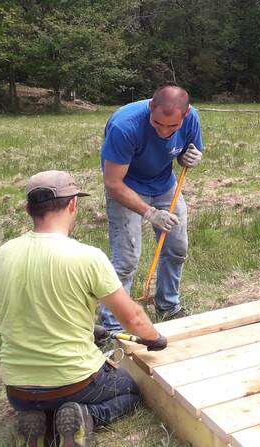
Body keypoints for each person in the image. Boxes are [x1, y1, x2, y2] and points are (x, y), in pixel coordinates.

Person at [0, 170, 167, 447]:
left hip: (18, 390)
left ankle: (41, 424)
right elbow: (133, 317)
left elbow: (33, 307)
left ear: (29, 209)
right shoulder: (87, 257)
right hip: (72, 382)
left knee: (44, 400)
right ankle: (88, 415)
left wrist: (89, 328)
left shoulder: (4, 252)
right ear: (74, 204)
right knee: (130, 392)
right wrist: (154, 338)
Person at [98, 84, 203, 331]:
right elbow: (112, 183)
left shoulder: (191, 118)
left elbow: (185, 152)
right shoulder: (125, 126)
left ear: (185, 116)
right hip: (126, 187)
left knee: (177, 248)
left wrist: (191, 158)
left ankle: (168, 305)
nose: (165, 132)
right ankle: (113, 325)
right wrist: (149, 212)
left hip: (164, 185)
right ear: (150, 109)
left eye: (172, 127)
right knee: (126, 259)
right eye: (158, 124)